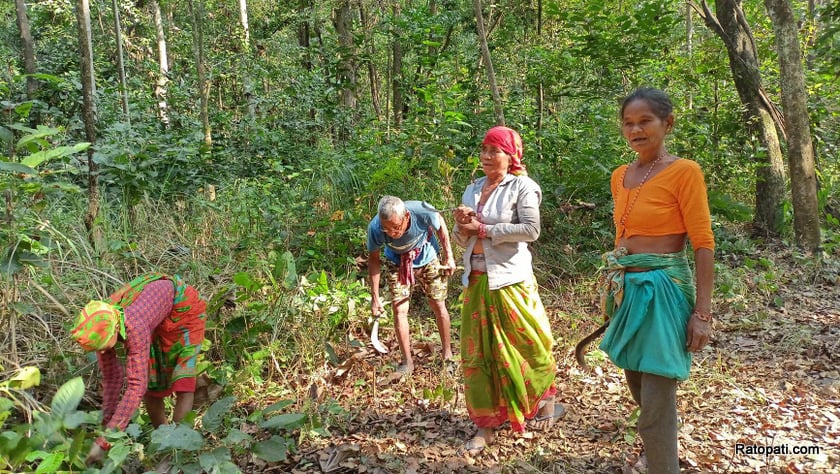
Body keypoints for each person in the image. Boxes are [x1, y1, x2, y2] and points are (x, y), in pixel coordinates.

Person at [599, 87, 714, 473]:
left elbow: (702, 244)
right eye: (628, 123)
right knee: (637, 383)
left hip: (665, 291)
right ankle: (657, 453)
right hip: (629, 292)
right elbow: (622, 237)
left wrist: (702, 313)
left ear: (667, 123)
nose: (636, 129)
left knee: (657, 395)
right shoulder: (620, 175)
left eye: (645, 121)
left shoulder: (685, 172)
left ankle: (663, 464)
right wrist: (614, 292)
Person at [452, 126, 560, 454]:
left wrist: (483, 228)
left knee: (530, 346)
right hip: (477, 280)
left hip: (511, 281)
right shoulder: (472, 190)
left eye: (494, 150)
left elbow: (531, 230)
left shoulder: (523, 187)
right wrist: (461, 226)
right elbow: (464, 238)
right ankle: (486, 426)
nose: (486, 156)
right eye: (484, 149)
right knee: (479, 355)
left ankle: (546, 399)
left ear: (511, 155)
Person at [70, 273, 207, 466]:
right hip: (155, 322)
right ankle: (166, 445)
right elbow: (112, 379)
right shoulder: (102, 321)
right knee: (152, 389)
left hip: (184, 312)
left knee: (183, 381)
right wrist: (106, 429)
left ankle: (178, 450)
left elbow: (135, 387)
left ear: (114, 330)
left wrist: (106, 441)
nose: (101, 351)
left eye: (102, 346)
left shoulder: (133, 326)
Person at [367, 196, 456, 375]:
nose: (392, 232)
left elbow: (440, 223)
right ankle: (407, 362)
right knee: (399, 309)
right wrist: (375, 297)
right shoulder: (375, 228)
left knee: (438, 304)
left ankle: (447, 357)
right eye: (387, 228)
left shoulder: (422, 211)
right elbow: (373, 261)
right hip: (397, 261)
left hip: (427, 257)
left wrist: (449, 256)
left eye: (396, 227)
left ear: (406, 216)